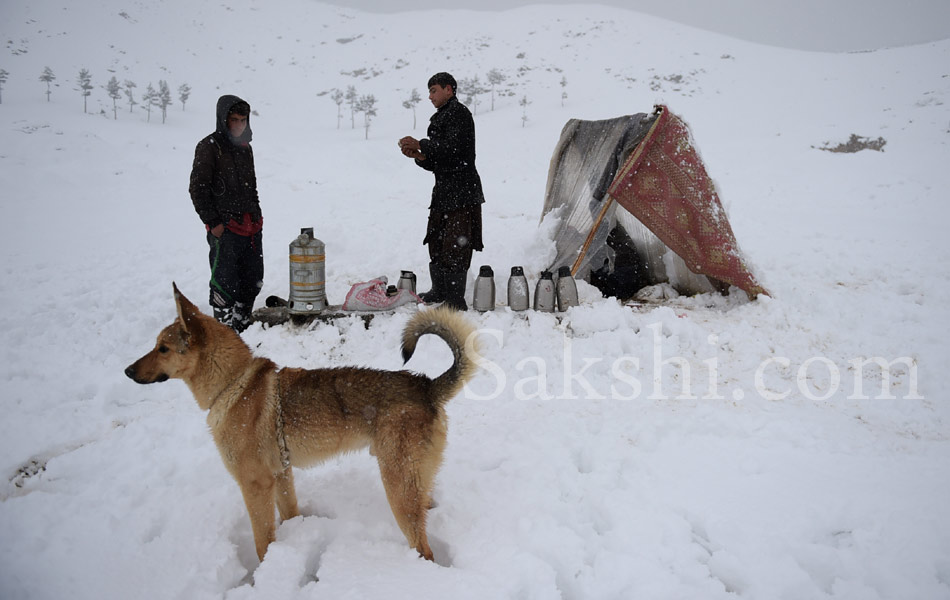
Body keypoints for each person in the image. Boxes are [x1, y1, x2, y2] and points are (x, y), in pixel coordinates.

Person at [399, 72, 484, 311]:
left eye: (434, 90)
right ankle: (440, 290)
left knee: (456, 245)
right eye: (429, 91)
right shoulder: (440, 117)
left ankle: (455, 300)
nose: (430, 96)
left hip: (462, 191)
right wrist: (420, 156)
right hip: (444, 192)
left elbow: (454, 151)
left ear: (449, 89)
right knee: (436, 241)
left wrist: (421, 144)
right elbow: (440, 160)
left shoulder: (459, 114)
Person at [189, 95, 263, 332]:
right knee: (225, 282)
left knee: (252, 279)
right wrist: (213, 223)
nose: (239, 125)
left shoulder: (245, 149)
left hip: (251, 226)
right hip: (226, 227)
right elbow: (198, 188)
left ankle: (243, 325)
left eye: (243, 120)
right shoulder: (209, 147)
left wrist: (257, 216)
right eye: (234, 120)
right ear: (224, 120)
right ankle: (223, 332)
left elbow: (252, 188)